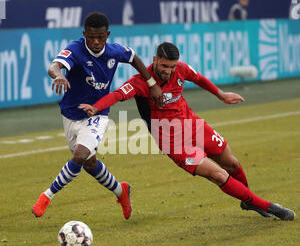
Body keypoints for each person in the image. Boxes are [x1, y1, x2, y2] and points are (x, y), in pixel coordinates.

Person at [79, 42, 295, 221]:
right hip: (173, 141)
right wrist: (96, 107)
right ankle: (270, 206)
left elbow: (199, 78)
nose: (168, 71)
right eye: (164, 66)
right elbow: (117, 95)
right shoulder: (140, 83)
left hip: (193, 125)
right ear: (154, 60)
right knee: (219, 174)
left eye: (171, 67)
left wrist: (221, 95)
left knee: (232, 163)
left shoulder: (181, 69)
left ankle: (250, 201)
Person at [32, 12, 163, 220]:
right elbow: (54, 66)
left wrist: (152, 84)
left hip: (98, 114)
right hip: (70, 115)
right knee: (89, 164)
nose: (95, 42)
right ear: (84, 34)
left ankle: (46, 196)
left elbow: (134, 58)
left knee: (80, 156)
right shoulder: (75, 49)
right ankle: (121, 191)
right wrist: (59, 76)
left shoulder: (114, 51)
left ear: (107, 34)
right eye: (91, 37)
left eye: (100, 37)